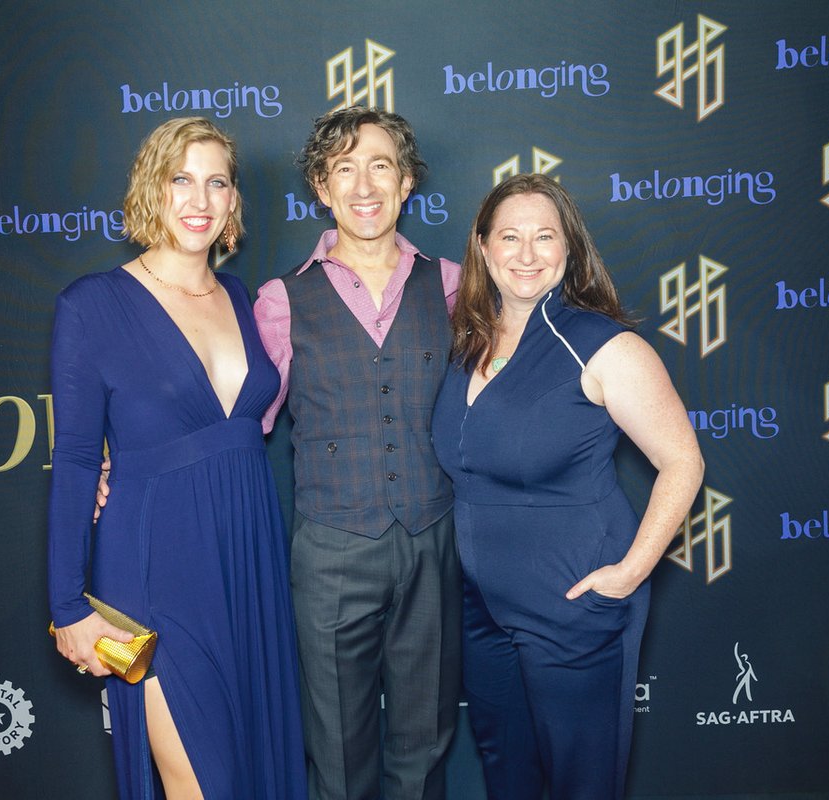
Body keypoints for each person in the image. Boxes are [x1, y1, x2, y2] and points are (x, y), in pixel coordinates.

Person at [48, 117, 306, 800]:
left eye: (216, 181)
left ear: (232, 202)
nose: (199, 198)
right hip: (155, 566)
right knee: (201, 780)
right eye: (180, 179)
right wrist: (67, 605)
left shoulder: (243, 299)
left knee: (256, 770)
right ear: (150, 190)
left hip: (249, 559)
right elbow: (76, 457)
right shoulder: (92, 305)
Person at [430, 174, 704, 800]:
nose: (527, 254)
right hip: (483, 609)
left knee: (582, 782)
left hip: (574, 602)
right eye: (510, 237)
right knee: (509, 775)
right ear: (482, 248)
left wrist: (630, 573)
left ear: (570, 248)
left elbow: (683, 462)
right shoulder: (467, 342)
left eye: (545, 237)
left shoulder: (604, 346)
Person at [253, 106, 463, 800]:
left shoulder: (459, 285)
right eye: (344, 167)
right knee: (338, 753)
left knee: (426, 741)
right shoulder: (281, 301)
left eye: (380, 164)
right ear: (321, 185)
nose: (363, 184)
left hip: (432, 537)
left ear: (407, 183)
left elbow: (513, 395)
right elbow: (237, 420)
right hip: (333, 548)